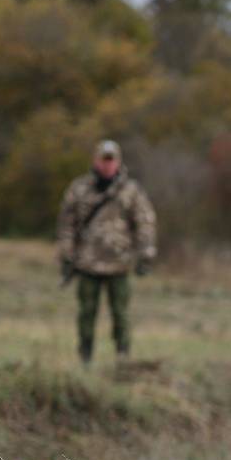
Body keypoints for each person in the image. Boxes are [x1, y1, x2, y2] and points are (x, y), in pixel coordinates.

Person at [56, 139, 157, 363]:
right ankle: (85, 358)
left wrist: (146, 253)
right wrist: (66, 254)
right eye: (104, 159)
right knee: (86, 314)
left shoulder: (130, 190)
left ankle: (123, 358)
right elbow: (66, 224)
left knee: (121, 314)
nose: (107, 165)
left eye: (111, 160)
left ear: (118, 162)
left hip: (119, 264)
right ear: (96, 160)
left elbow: (145, 223)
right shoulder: (79, 188)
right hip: (87, 263)